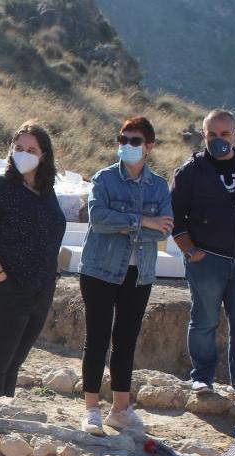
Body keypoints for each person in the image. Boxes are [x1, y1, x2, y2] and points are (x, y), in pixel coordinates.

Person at [79, 116, 174, 435]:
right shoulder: (104, 179)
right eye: (122, 140)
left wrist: (132, 224)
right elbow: (98, 219)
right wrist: (143, 221)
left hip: (139, 272)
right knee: (97, 338)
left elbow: (165, 228)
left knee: (126, 340)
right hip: (100, 270)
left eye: (134, 141)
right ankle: (91, 409)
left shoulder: (159, 185)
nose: (127, 146)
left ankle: (121, 408)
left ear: (149, 146)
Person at [171, 109, 235, 397]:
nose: (219, 140)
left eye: (224, 134)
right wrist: (190, 251)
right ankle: (202, 378)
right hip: (207, 260)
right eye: (212, 134)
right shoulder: (190, 171)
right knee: (204, 321)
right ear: (204, 135)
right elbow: (176, 217)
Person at [0, 121, 67, 396]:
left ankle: (1, 423)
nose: (23, 153)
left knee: (13, 364)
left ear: (43, 155)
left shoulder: (47, 193)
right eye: (18, 147)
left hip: (37, 290)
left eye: (31, 149)